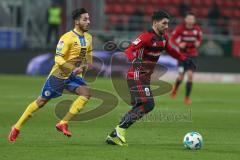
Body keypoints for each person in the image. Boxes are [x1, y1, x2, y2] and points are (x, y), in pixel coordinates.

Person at [106, 10, 196, 146]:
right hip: (136, 76)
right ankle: (120, 130)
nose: (167, 26)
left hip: (144, 78)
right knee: (148, 104)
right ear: (155, 22)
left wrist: (184, 59)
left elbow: (171, 50)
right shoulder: (146, 37)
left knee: (140, 106)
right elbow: (129, 50)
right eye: (164, 23)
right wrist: (134, 59)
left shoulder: (164, 38)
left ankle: (113, 135)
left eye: (168, 24)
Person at [8, 8, 93, 142]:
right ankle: (16, 127)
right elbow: (58, 59)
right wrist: (72, 69)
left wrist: (86, 65)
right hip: (58, 75)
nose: (89, 22)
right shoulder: (67, 38)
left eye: (88, 19)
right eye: (85, 19)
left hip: (74, 77)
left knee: (86, 93)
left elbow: (88, 56)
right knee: (41, 102)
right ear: (77, 22)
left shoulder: (89, 38)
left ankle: (63, 123)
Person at [170, 13, 202, 104]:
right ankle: (175, 89)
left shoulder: (197, 29)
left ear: (194, 20)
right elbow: (172, 39)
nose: (190, 20)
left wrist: (198, 43)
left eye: (192, 19)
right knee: (181, 76)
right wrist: (178, 44)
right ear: (185, 20)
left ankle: (187, 98)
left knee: (190, 75)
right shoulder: (180, 28)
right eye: (189, 19)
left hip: (193, 55)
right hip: (182, 56)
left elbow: (199, 38)